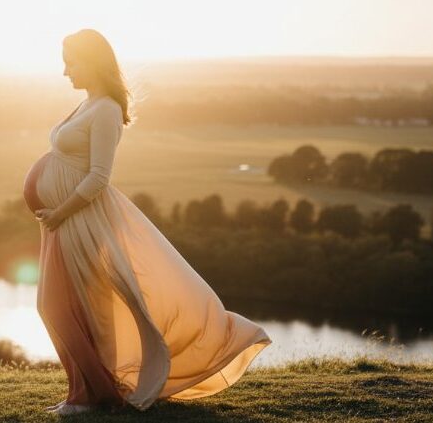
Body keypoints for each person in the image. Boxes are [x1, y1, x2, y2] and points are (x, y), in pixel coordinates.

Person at [23, 29, 271, 416]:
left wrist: (60, 210)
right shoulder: (88, 104)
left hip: (81, 219)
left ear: (93, 62)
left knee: (63, 307)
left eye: (71, 61)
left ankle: (91, 396)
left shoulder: (105, 109)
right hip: (63, 221)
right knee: (64, 306)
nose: (65, 71)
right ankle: (87, 392)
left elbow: (99, 176)